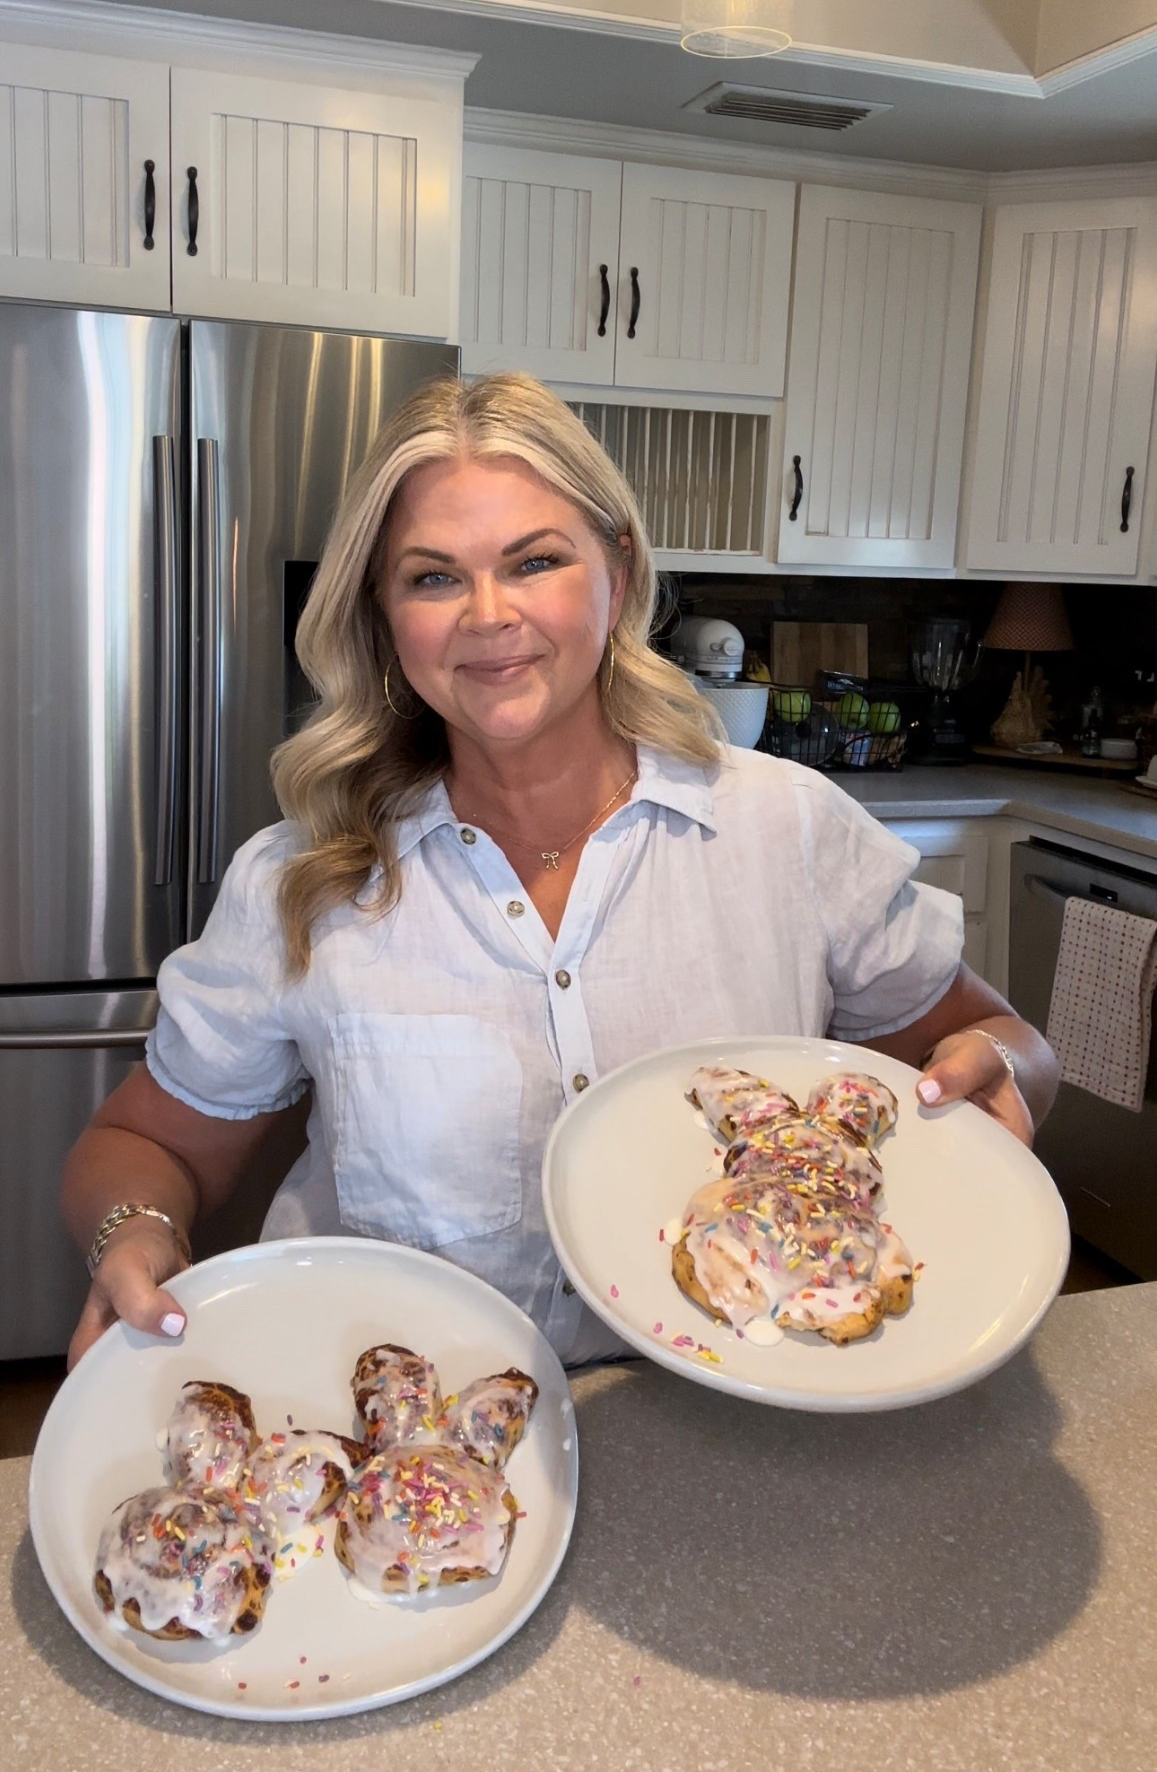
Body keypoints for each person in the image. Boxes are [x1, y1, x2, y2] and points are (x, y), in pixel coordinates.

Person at [62, 373, 1059, 1368]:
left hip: (741, 1416)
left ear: (614, 575)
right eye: (432, 575)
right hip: (417, 1437)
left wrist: (1007, 1071)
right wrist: (133, 1231)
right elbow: (144, 1146)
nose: (488, 614)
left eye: (533, 560)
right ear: (380, 611)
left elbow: (998, 1044)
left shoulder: (782, 828)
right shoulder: (300, 879)